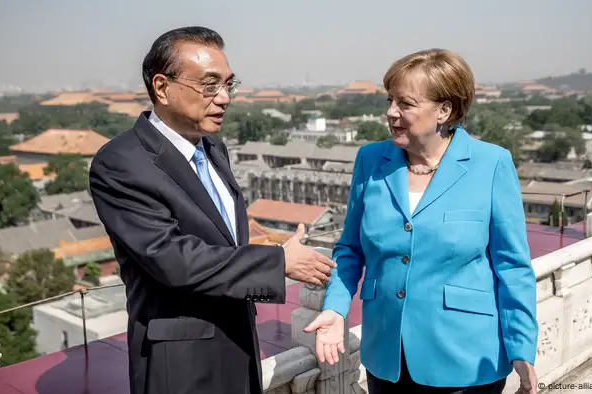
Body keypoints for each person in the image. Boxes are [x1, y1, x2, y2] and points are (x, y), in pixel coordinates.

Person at [89, 26, 336, 394]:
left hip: (239, 344)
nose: (223, 98)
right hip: (182, 361)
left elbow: (223, 241)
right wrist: (278, 262)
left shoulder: (213, 149)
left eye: (228, 84)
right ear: (161, 87)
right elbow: (173, 259)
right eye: (209, 85)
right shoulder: (122, 162)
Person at [304, 49, 539, 394]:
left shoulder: (491, 164)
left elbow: (512, 266)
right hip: (387, 356)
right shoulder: (371, 160)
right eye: (389, 100)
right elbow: (350, 249)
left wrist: (521, 348)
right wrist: (336, 308)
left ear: (445, 110)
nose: (390, 112)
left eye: (405, 103)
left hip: (466, 358)